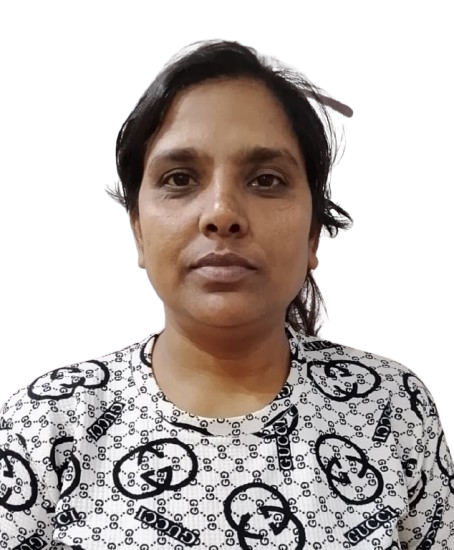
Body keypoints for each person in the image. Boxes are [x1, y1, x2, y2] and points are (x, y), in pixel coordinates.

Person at [1, 39, 452, 549]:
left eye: (266, 180)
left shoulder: (391, 409)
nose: (221, 213)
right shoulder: (46, 426)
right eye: (179, 178)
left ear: (312, 235)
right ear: (138, 230)